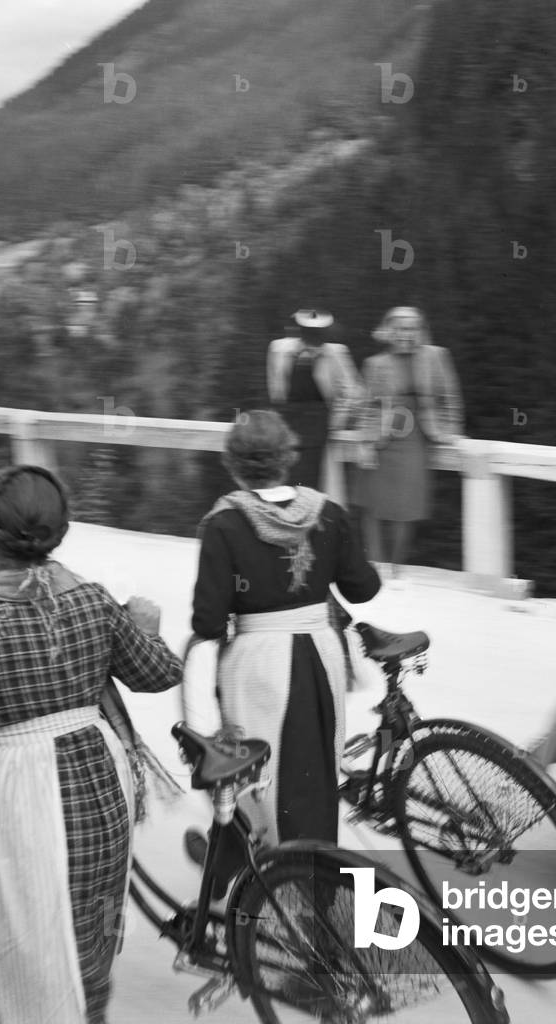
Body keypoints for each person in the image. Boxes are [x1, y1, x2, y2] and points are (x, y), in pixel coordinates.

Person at [0, 465, 182, 1024]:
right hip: (98, 793)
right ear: (60, 533)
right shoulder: (92, 602)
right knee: (88, 944)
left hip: (13, 803)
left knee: (24, 943)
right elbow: (159, 672)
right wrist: (146, 628)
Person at [190, 410, 380, 859]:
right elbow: (364, 588)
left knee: (255, 767)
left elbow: (208, 621)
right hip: (322, 655)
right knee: (315, 766)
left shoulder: (223, 524)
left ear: (233, 463)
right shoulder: (327, 512)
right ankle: (315, 865)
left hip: (256, 662)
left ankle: (255, 862)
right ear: (288, 457)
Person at [357, 306, 464, 582]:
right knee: (373, 503)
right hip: (383, 438)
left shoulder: (436, 356)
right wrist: (367, 442)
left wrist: (450, 431)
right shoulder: (375, 363)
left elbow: (450, 396)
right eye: (400, 329)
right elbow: (368, 406)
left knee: (407, 505)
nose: (406, 334)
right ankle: (376, 564)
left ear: (420, 331)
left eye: (411, 328)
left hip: (416, 437)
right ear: (389, 332)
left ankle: (396, 567)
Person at [266, 308, 363, 498]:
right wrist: (279, 411)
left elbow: (353, 391)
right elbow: (275, 384)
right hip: (287, 421)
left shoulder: (336, 353)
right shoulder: (278, 349)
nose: (313, 336)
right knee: (283, 475)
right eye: (308, 331)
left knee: (312, 478)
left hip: (318, 422)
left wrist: (336, 420)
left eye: (318, 332)